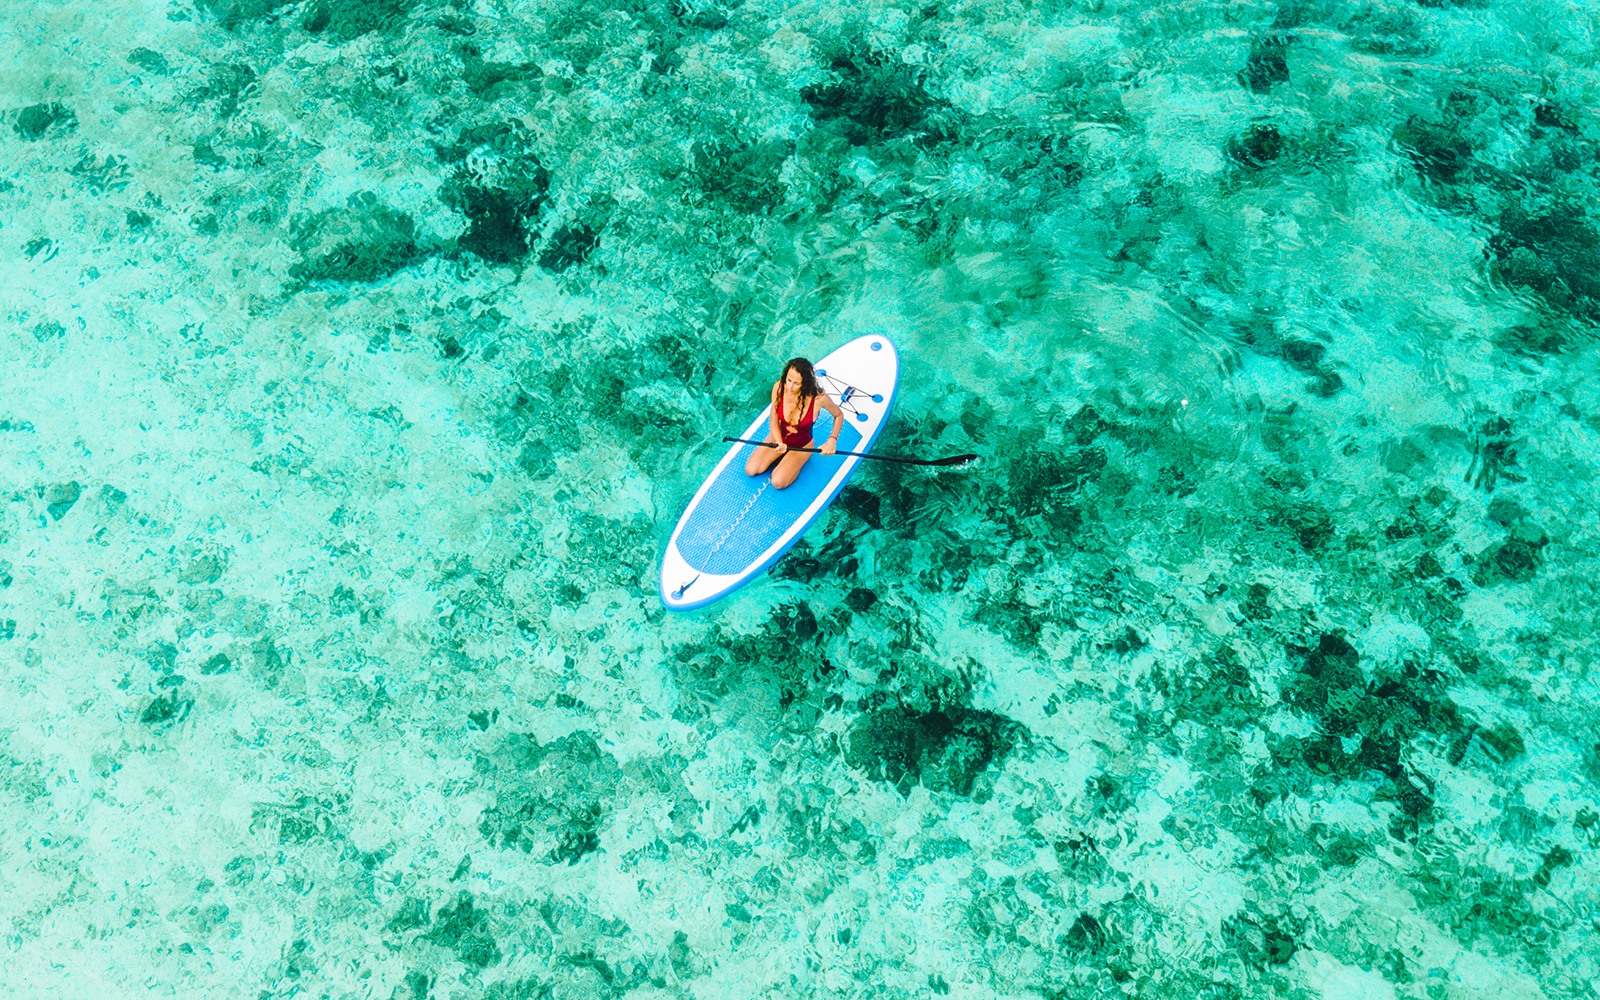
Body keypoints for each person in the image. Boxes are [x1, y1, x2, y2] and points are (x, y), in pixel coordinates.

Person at [744, 357, 843, 488]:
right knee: (750, 470)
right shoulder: (779, 387)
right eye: (788, 380)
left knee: (777, 482)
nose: (790, 387)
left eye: (796, 383)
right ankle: (784, 456)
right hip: (778, 437)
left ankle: (796, 464)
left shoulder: (819, 399)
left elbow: (839, 415)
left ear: (806, 383)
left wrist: (832, 440)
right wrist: (779, 441)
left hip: (802, 446)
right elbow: (773, 420)